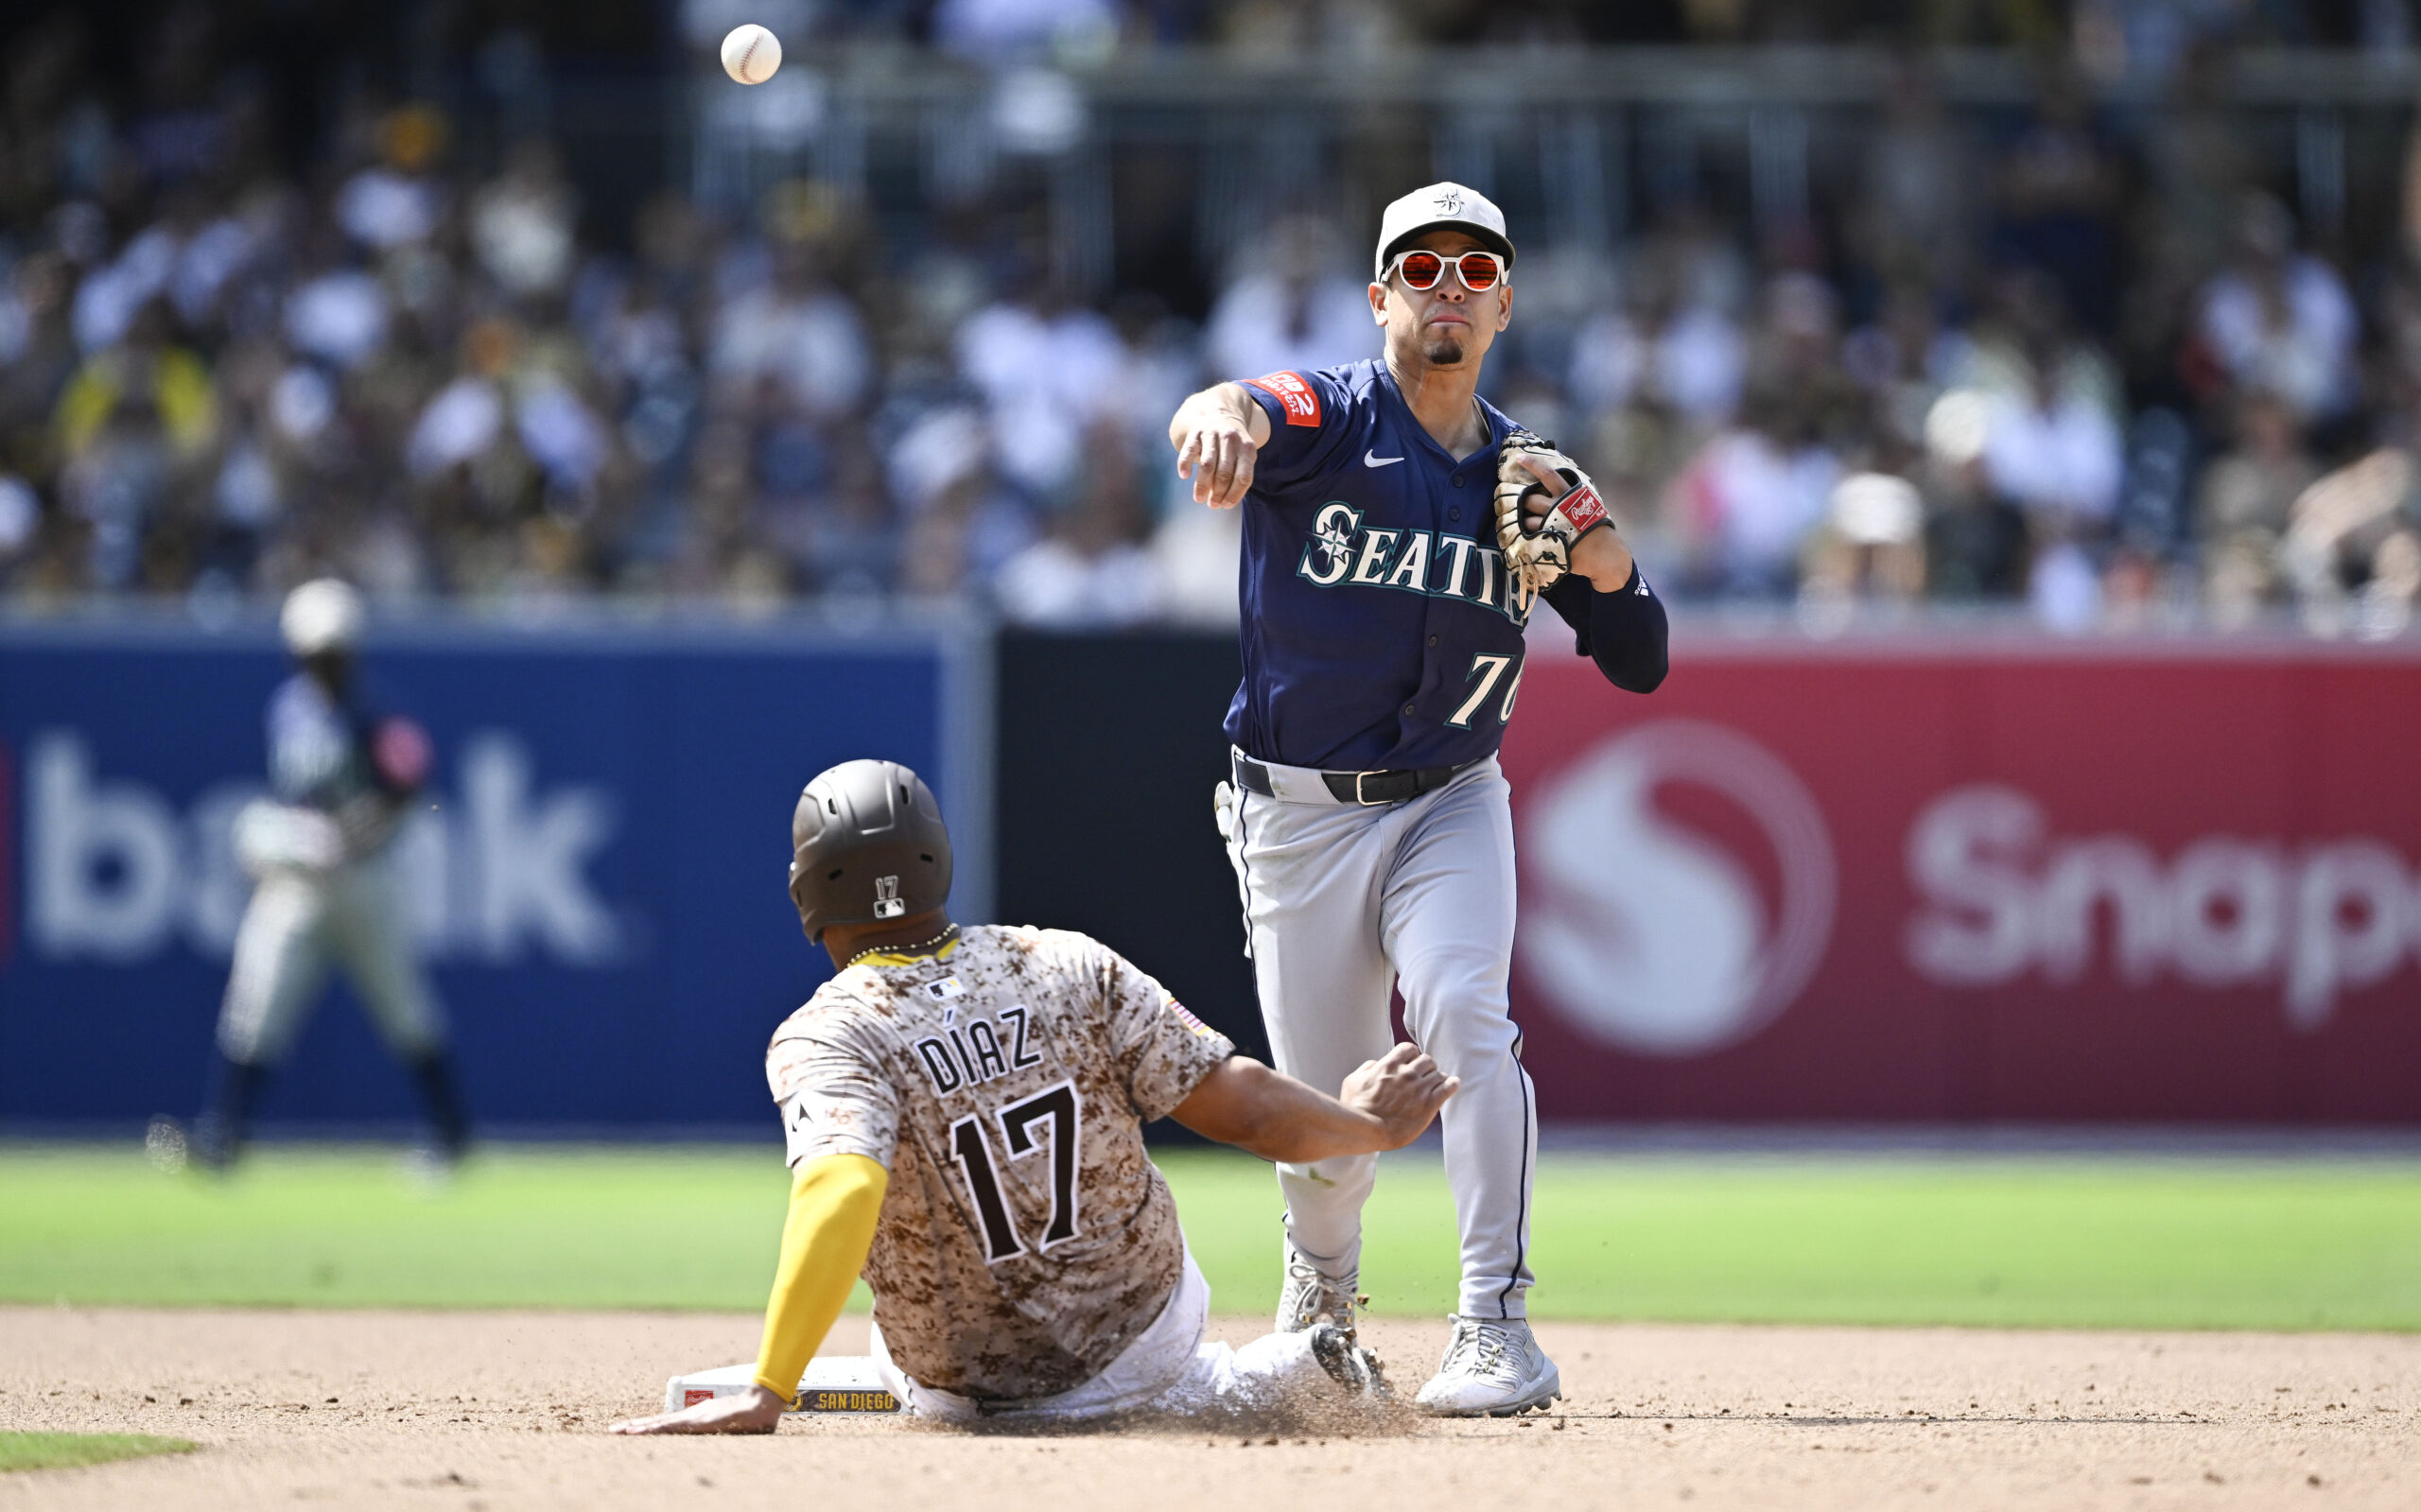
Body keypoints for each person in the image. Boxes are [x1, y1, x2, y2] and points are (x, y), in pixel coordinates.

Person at [1162, 183, 1669, 1417]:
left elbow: (1640, 655)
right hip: (1297, 811)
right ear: (1381, 296)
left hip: (1450, 796)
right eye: (1422, 266)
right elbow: (1233, 404)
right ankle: (1323, 1307)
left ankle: (1498, 1319)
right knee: (1328, 1105)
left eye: (1475, 268)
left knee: (1462, 1012)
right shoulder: (1331, 418)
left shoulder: (1522, 477)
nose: (1450, 284)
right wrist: (1214, 416)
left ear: (1504, 303)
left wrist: (1614, 560)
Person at [611, 759, 1456, 1434]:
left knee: (893, 1338)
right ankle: (1256, 1378)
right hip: (1147, 1341)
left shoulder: (829, 1031)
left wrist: (769, 1386)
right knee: (1151, 1358)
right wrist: (1370, 1125)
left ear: (807, 896)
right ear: (937, 861)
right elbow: (1240, 1107)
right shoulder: (1063, 961)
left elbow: (842, 1186)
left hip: (963, 1389)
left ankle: (1223, 1385)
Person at [189, 579, 468, 1170]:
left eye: (334, 654)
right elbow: (292, 800)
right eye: (318, 655)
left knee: (406, 1010)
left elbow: (414, 786)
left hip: (364, 882)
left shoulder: (375, 712)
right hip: (298, 885)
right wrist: (284, 843)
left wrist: (354, 835)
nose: (327, 667)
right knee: (256, 1005)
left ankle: (451, 1136)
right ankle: (222, 1137)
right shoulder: (288, 709)